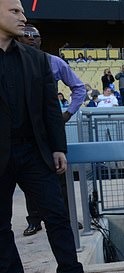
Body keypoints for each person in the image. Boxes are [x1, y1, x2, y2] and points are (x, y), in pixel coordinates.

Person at [0, 0, 104, 273]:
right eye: (15, 11)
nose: (24, 16)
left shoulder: (37, 60)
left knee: (57, 216)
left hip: (34, 152)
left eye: (22, 10)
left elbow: (49, 107)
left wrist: (59, 147)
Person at [16, 24, 87, 237]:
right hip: (24, 128)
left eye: (35, 36)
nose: (31, 39)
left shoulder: (54, 62)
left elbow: (79, 88)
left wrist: (67, 114)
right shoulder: (11, 62)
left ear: (41, 40)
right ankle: (35, 220)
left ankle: (66, 218)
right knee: (28, 175)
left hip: (50, 126)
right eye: (26, 35)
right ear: (19, 39)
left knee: (60, 171)